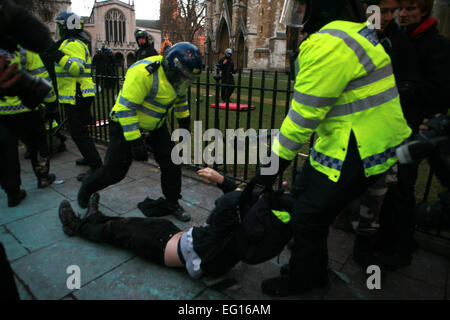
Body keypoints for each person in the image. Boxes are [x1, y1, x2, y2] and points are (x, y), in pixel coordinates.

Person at [250, 0, 412, 297]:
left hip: (361, 148)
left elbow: (301, 120)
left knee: (309, 215)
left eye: (301, 7)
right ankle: (313, 269)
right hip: (358, 140)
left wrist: (266, 172)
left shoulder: (328, 43)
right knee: (303, 200)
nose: (297, 15)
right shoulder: (354, 32)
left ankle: (304, 279)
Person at [60, 168, 294, 279]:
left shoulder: (229, 220)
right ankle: (95, 217)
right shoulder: (253, 231)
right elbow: (244, 202)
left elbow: (233, 200)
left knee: (118, 230)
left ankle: (76, 226)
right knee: (127, 224)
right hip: (180, 240)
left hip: (164, 247)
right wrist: (222, 180)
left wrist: (254, 189)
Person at [77, 42, 200, 222]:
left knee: (172, 163)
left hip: (156, 127)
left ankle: (172, 202)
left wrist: (184, 121)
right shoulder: (143, 73)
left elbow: (180, 98)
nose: (183, 81)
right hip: (125, 126)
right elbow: (126, 110)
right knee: (115, 171)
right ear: (172, 67)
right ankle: (88, 187)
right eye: (182, 77)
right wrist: (135, 142)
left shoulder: (178, 77)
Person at [350, 0, 423, 270]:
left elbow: (411, 83)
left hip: (386, 133)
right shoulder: (356, 37)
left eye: (393, 11)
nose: (389, 16)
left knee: (379, 194)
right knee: (349, 188)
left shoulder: (397, 42)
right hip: (356, 130)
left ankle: (367, 247)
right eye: (384, 10)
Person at [46, 11, 102, 182]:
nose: (59, 29)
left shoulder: (72, 44)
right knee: (79, 130)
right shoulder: (73, 42)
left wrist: (59, 56)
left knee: (79, 132)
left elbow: (76, 68)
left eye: (60, 26)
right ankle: (89, 157)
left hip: (77, 94)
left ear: (68, 26)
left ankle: (96, 166)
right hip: (76, 94)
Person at [0, 47, 57, 207]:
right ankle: (43, 177)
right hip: (27, 108)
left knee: (5, 153)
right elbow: (42, 77)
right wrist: (51, 102)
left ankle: (12, 193)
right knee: (37, 145)